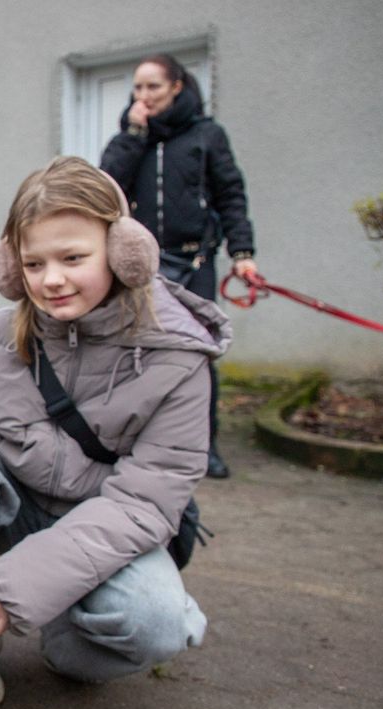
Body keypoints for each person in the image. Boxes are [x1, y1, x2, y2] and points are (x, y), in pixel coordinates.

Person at [0, 156, 230, 709]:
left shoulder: (179, 356)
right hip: (14, 506)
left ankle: (66, 632)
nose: (52, 279)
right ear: (11, 267)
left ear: (122, 251)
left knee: (156, 623)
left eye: (73, 258)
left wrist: (29, 584)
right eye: (34, 263)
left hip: (113, 523)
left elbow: (143, 503)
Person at [100, 53, 257, 479]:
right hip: (142, 267)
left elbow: (230, 194)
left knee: (197, 355)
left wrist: (242, 254)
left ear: (177, 87)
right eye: (137, 88)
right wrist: (134, 134)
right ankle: (137, 442)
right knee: (138, 354)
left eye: (153, 86)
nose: (144, 95)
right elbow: (105, 186)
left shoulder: (207, 135)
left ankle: (204, 445)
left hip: (196, 261)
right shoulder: (132, 136)